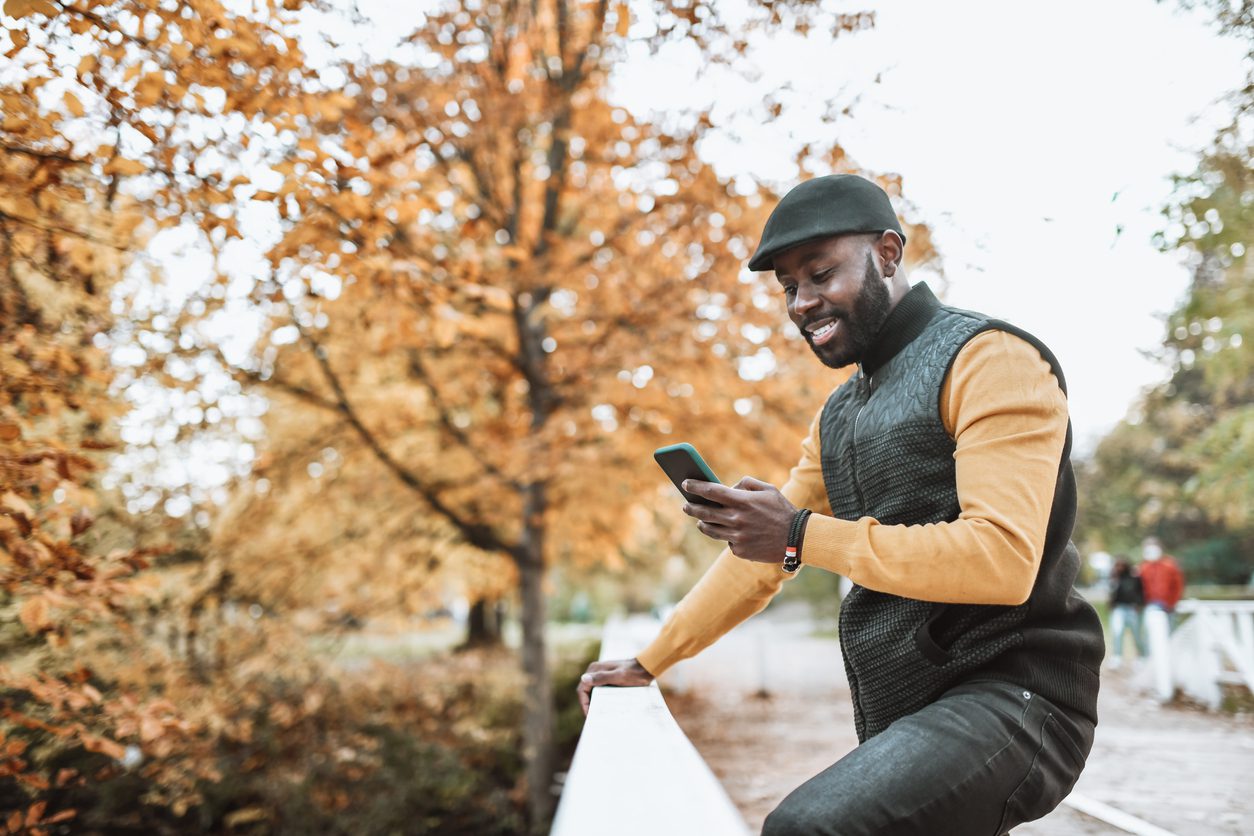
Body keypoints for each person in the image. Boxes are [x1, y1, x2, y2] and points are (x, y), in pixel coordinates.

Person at [576, 174, 1105, 835]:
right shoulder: (839, 415)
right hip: (908, 712)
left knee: (808, 827)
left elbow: (1000, 560)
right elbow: (759, 561)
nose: (802, 302)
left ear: (887, 253)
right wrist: (650, 660)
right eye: (789, 288)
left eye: (820, 274)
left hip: (1020, 699)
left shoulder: (992, 359)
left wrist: (800, 535)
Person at [1107, 557, 1145, 669]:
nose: (1119, 568)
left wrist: (1138, 604)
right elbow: (1112, 594)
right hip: (1119, 609)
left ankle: (1141, 657)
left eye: (1121, 565)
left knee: (1136, 634)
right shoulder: (1114, 578)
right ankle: (1117, 657)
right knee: (1117, 633)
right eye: (1117, 565)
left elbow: (1140, 592)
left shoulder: (1134, 577)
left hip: (1132, 609)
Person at [1138, 536, 1185, 620]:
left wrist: (1172, 603)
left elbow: (1178, 586)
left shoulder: (1170, 565)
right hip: (1150, 605)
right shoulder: (1143, 567)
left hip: (1168, 605)